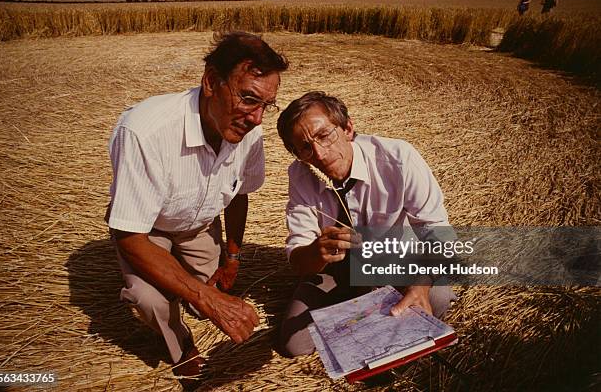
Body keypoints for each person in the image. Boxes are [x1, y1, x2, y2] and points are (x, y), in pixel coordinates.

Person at [105, 32, 288, 381]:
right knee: (153, 300)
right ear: (210, 82)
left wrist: (232, 256)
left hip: (199, 223)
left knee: (212, 283)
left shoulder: (248, 131)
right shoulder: (145, 131)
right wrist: (207, 299)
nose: (257, 119)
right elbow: (129, 235)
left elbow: (238, 195)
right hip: (147, 232)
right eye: (248, 98)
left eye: (267, 105)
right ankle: (180, 345)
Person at [276, 91, 457, 357]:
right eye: (304, 147)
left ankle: (365, 310)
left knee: (436, 297)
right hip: (337, 270)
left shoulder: (399, 158)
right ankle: (365, 308)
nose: (319, 154)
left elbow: (437, 232)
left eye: (324, 135)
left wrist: (421, 282)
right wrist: (316, 252)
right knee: (295, 345)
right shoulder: (300, 175)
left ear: (348, 128)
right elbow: (299, 257)